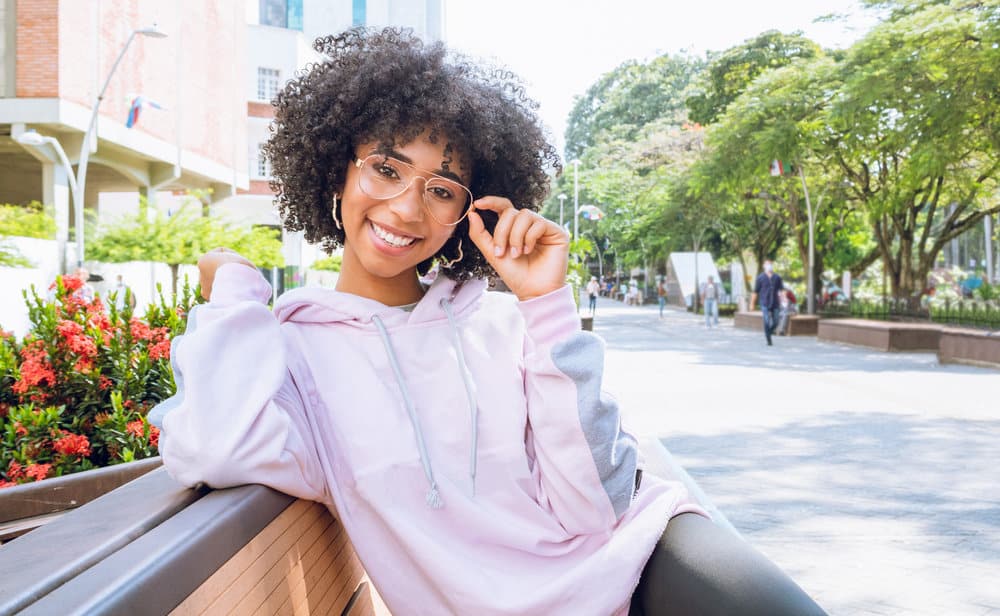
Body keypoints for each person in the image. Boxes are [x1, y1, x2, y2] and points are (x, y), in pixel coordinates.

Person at [150, 28, 824, 616]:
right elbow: (213, 445)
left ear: (465, 213)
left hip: (638, 561)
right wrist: (235, 290)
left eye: (440, 189)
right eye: (386, 169)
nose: (408, 210)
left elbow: (596, 506)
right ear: (335, 173)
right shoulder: (292, 354)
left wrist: (543, 307)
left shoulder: (503, 322)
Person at [750, 260, 784, 346]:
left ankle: (769, 331)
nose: (769, 266)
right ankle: (769, 340)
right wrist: (752, 304)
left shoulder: (777, 277)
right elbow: (755, 292)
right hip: (764, 302)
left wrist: (784, 300)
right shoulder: (760, 277)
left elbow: (782, 290)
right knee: (766, 320)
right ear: (764, 266)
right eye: (767, 264)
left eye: (770, 264)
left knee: (776, 321)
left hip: (775, 302)